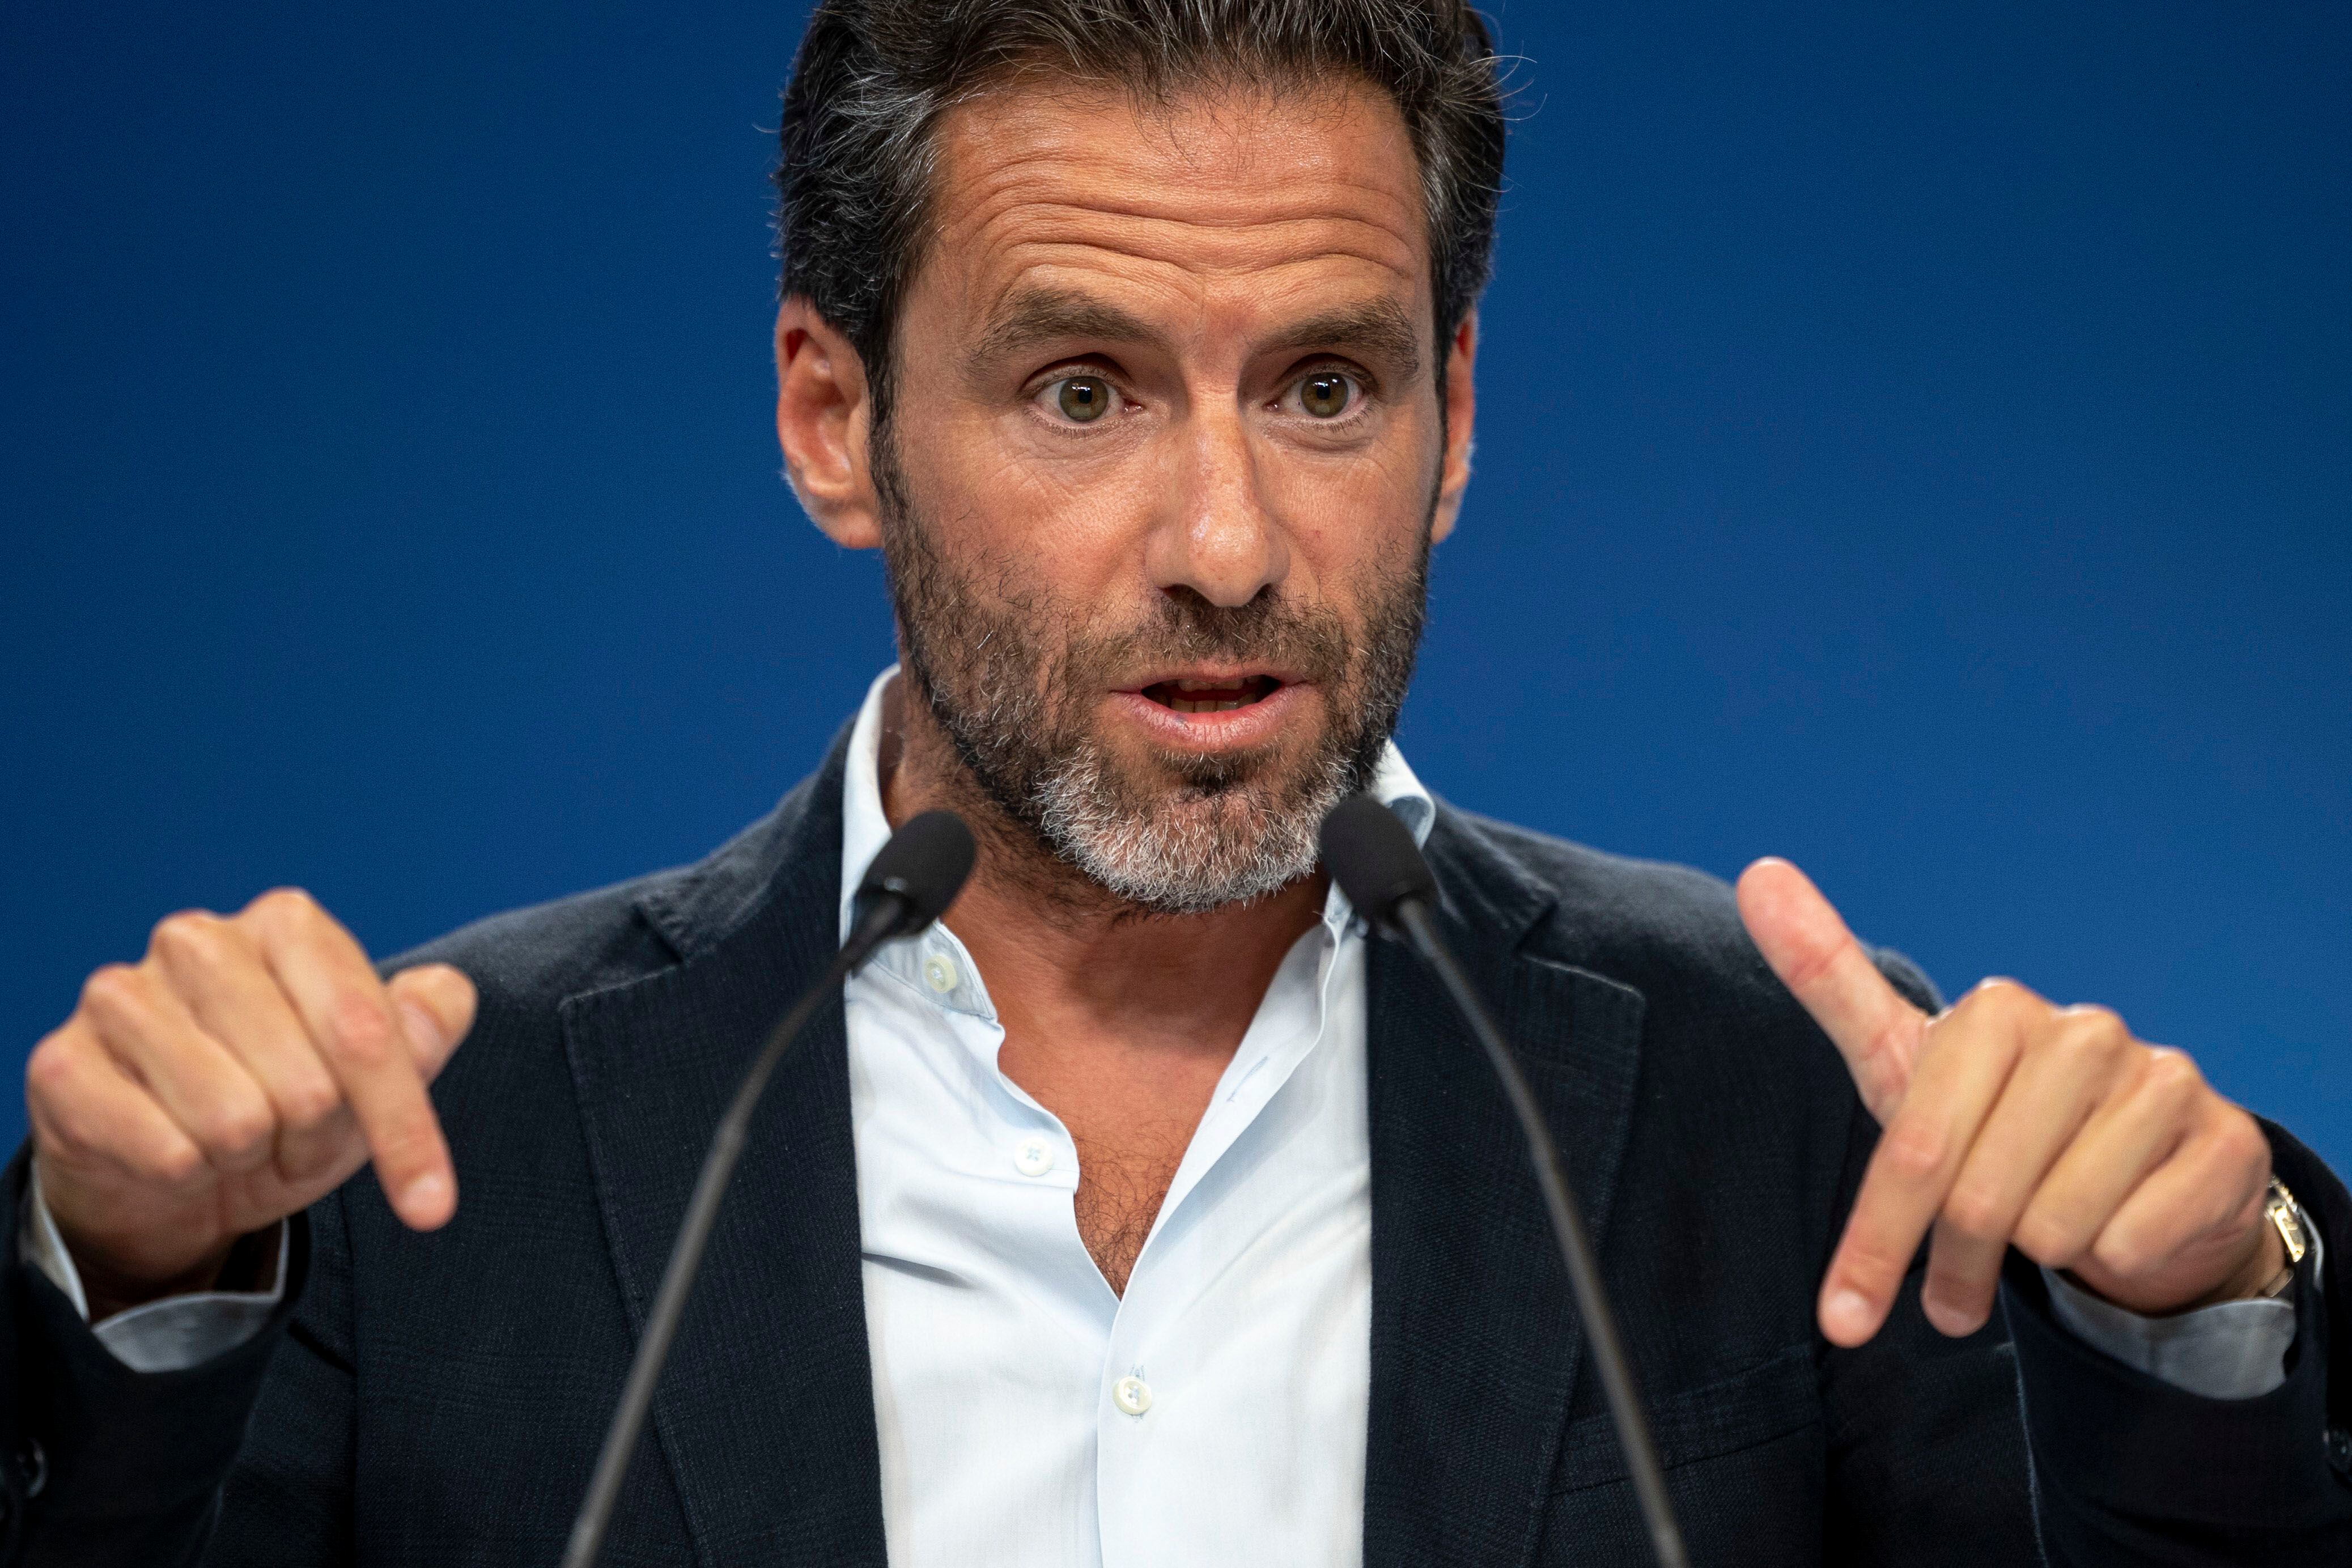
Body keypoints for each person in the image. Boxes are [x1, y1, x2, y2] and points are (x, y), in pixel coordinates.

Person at [6, 2, 2347, 1563]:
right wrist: (127, 1278)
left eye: (1323, 386)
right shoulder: (430, 1146)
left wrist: (2207, 1307)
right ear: (838, 419)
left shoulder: (1796, 1083)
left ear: (1454, 417)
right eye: (1083, 389)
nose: (1227, 544)